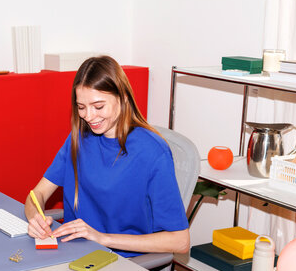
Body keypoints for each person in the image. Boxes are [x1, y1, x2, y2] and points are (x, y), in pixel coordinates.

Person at [24, 55, 189, 257]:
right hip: (73, 254)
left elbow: (180, 241)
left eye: (99, 107)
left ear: (124, 97)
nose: (89, 117)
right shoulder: (79, 138)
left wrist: (102, 237)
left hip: (122, 264)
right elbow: (37, 195)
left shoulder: (153, 152)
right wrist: (36, 218)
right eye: (81, 107)